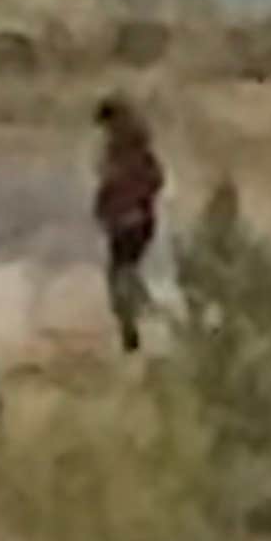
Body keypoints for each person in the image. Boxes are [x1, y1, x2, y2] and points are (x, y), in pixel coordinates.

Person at [93, 95, 166, 354]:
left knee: (120, 276)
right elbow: (155, 181)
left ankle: (137, 325)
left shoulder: (126, 152)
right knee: (124, 274)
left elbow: (152, 181)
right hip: (133, 221)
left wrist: (125, 204)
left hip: (129, 222)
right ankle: (136, 322)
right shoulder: (133, 150)